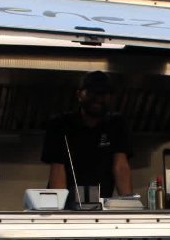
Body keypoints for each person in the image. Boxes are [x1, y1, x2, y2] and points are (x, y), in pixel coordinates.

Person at [42, 70, 132, 208]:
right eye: (92, 92)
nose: (98, 98)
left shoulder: (117, 124)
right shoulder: (60, 124)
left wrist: (129, 207)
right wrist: (59, 213)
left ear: (110, 97)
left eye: (103, 93)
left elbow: (120, 167)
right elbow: (57, 169)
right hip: (67, 205)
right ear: (79, 94)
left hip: (102, 206)